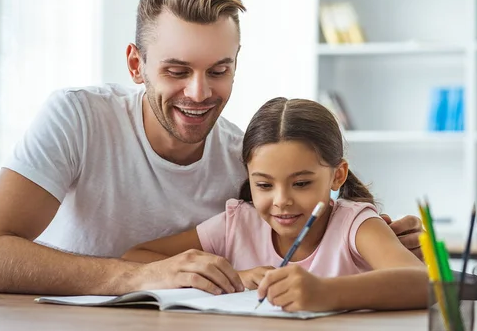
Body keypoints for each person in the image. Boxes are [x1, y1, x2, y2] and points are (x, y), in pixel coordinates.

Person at [0, 0, 424, 296]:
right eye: (177, 70)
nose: (199, 92)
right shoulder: (78, 118)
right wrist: (143, 276)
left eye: (219, 70)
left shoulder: (244, 160)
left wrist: (370, 239)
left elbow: (305, 228)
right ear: (135, 64)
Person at [122, 97, 428, 312]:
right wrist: (233, 278)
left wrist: (324, 293)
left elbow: (422, 283)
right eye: (264, 185)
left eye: (302, 183)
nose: (281, 201)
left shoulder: (354, 224)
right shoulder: (238, 223)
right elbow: (134, 257)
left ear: (338, 175)